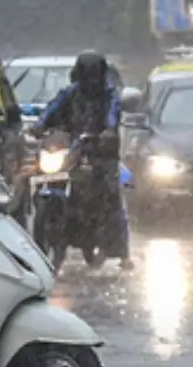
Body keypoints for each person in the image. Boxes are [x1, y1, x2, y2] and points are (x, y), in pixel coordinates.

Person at [31, 51, 133, 269]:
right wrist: (39, 124)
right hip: (71, 149)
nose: (90, 79)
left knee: (110, 192)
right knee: (41, 174)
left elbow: (112, 114)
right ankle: (53, 230)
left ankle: (122, 251)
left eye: (93, 73)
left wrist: (107, 131)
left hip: (101, 151)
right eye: (86, 73)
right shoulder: (70, 93)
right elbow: (52, 108)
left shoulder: (109, 95)